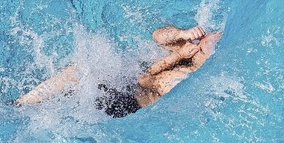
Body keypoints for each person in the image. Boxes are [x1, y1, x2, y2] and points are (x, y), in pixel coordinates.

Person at [14, 25, 222, 117]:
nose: (207, 36)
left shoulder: (183, 76)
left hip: (126, 101)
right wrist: (182, 33)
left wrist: (177, 57)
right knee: (78, 77)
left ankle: (21, 106)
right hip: (125, 86)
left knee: (79, 75)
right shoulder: (190, 48)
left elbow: (145, 80)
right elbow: (158, 35)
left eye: (208, 42)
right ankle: (27, 104)